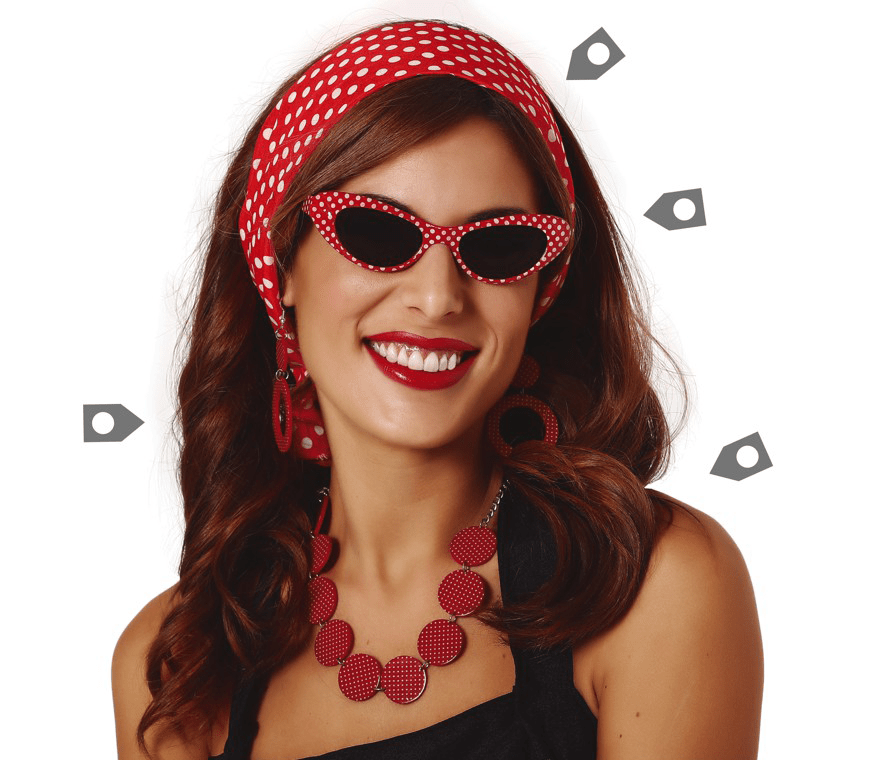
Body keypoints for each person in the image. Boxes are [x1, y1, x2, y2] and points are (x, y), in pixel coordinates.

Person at [112, 19, 763, 760]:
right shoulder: (174, 668)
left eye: (499, 245)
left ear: (539, 292)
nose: (437, 297)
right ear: (281, 261)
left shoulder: (654, 586)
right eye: (378, 234)